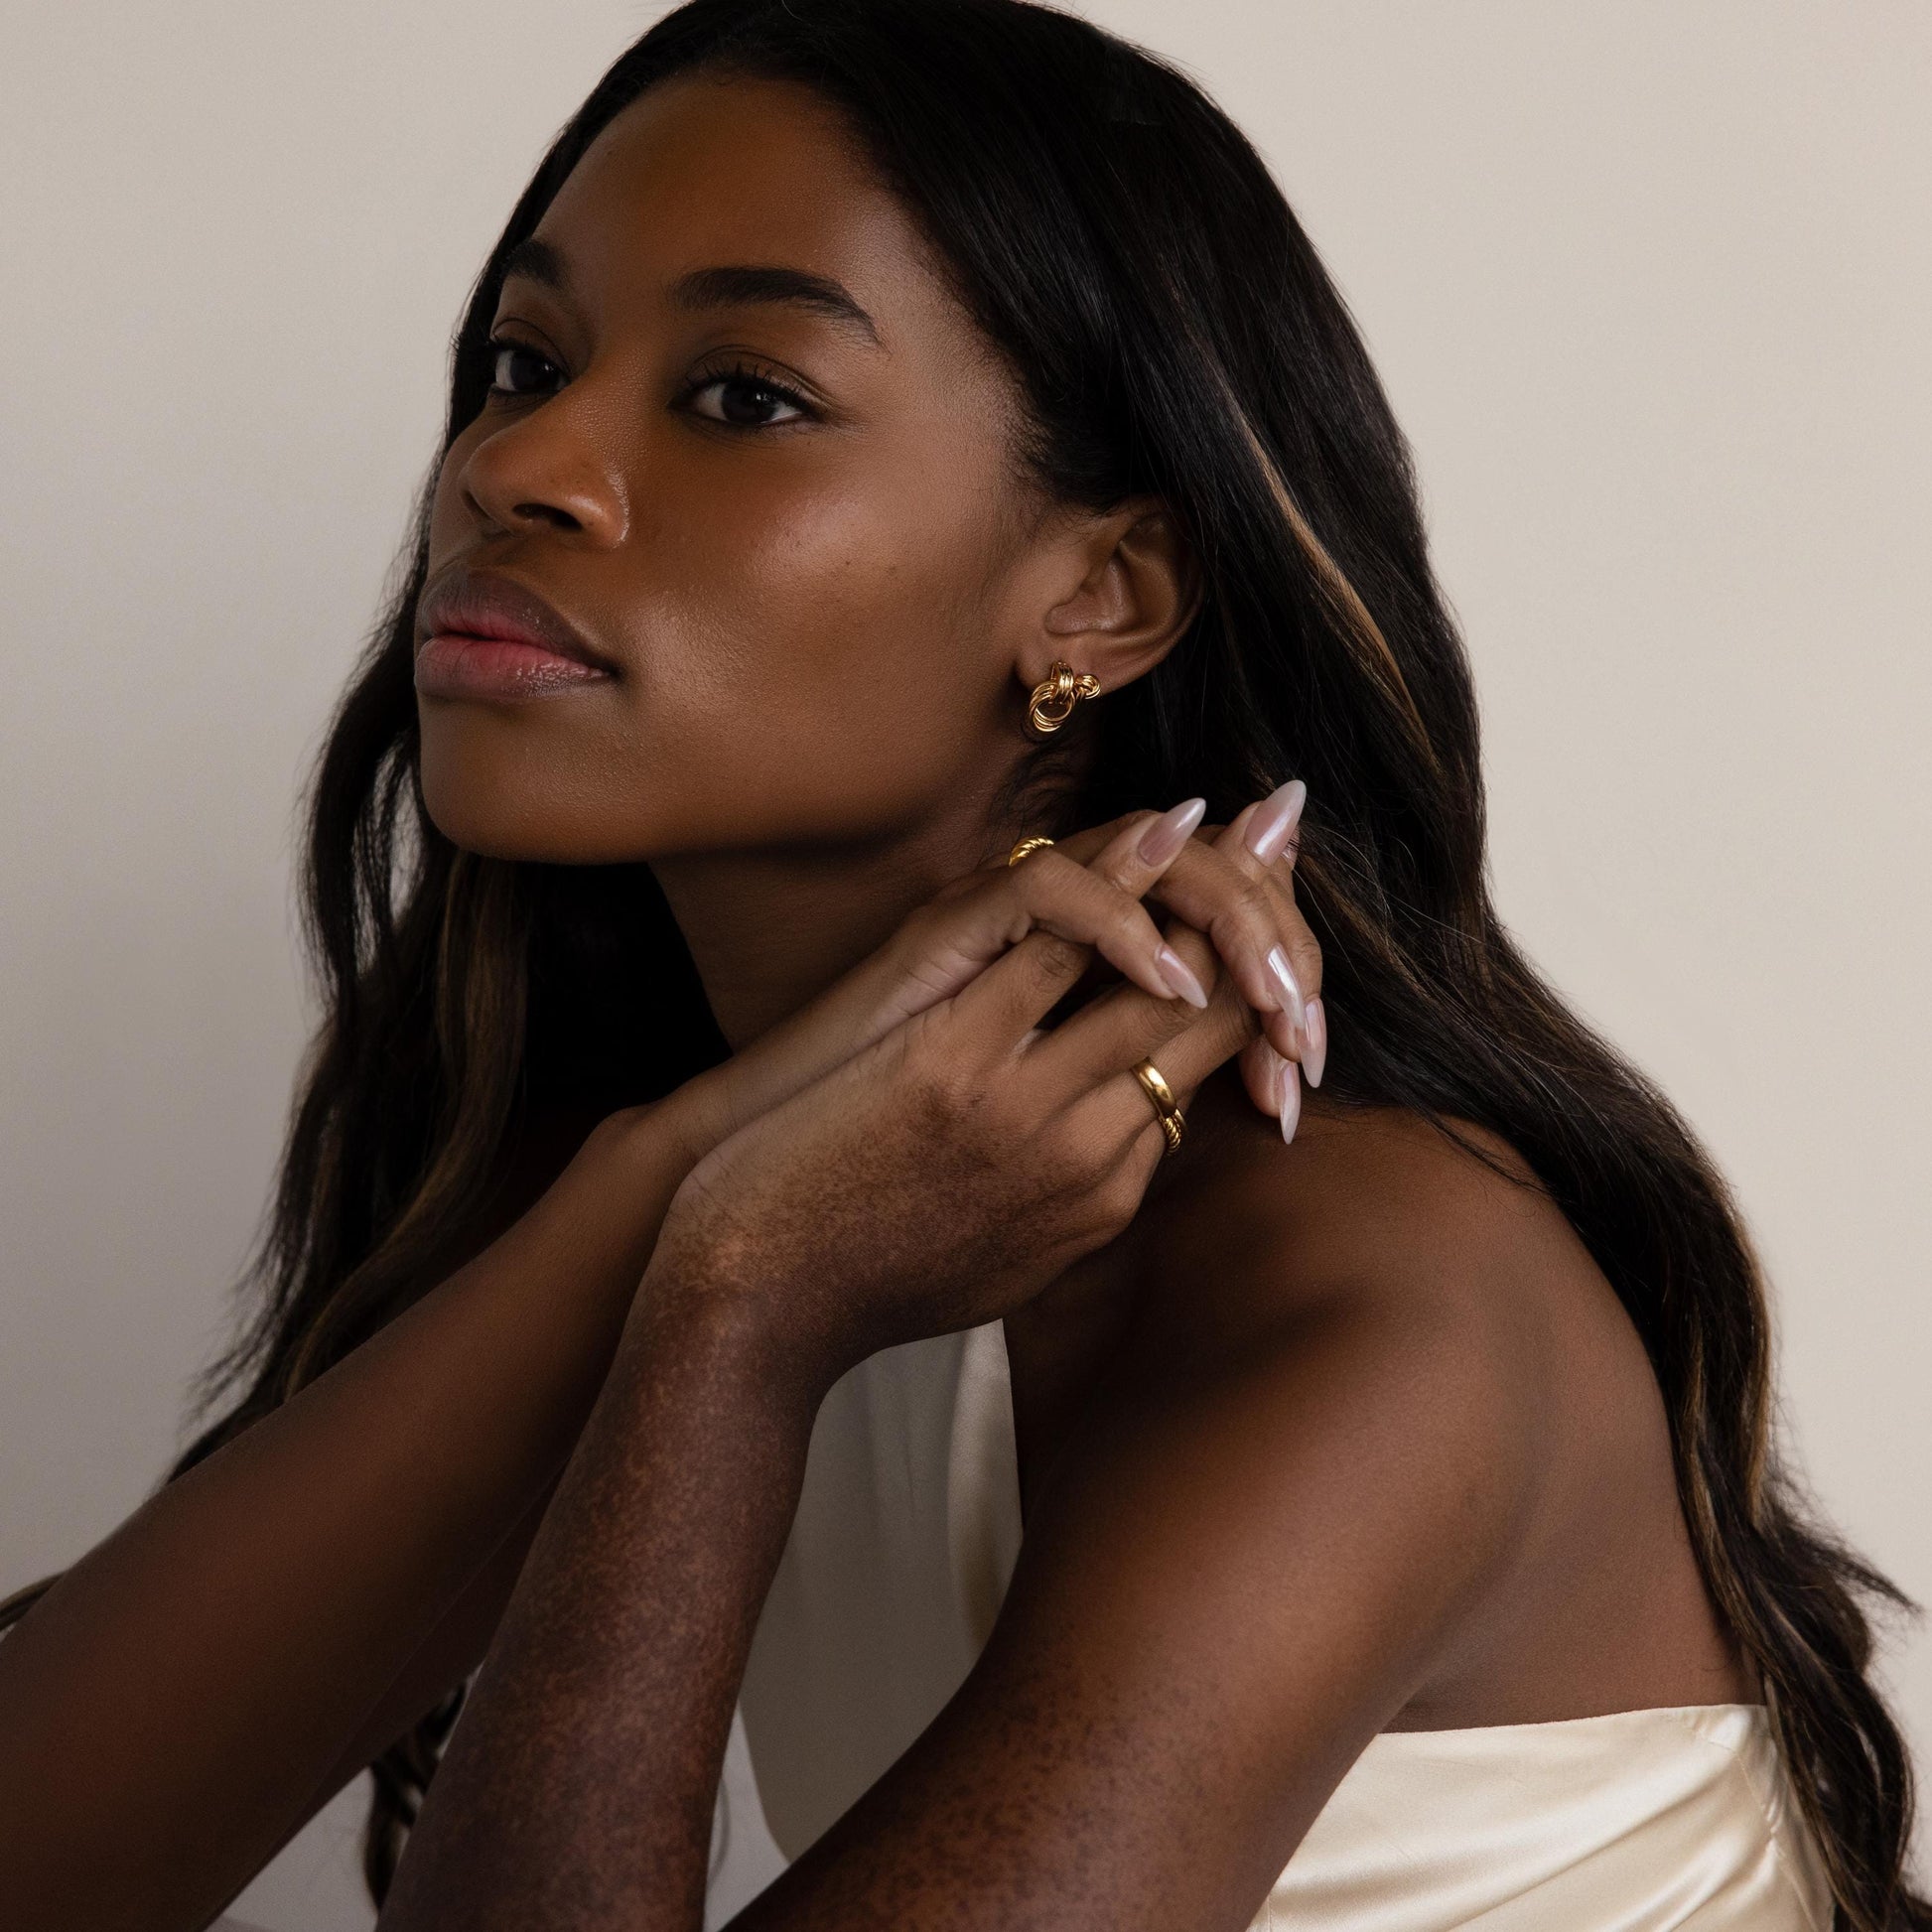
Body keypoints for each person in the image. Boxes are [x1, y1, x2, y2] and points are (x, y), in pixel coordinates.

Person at [0, 1, 1921, 1927]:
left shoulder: (1366, 1291)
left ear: (1097, 595)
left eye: (743, 396)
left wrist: (743, 1310)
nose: (521, 465)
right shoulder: (689, 1166)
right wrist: (684, 1187)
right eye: (524, 362)